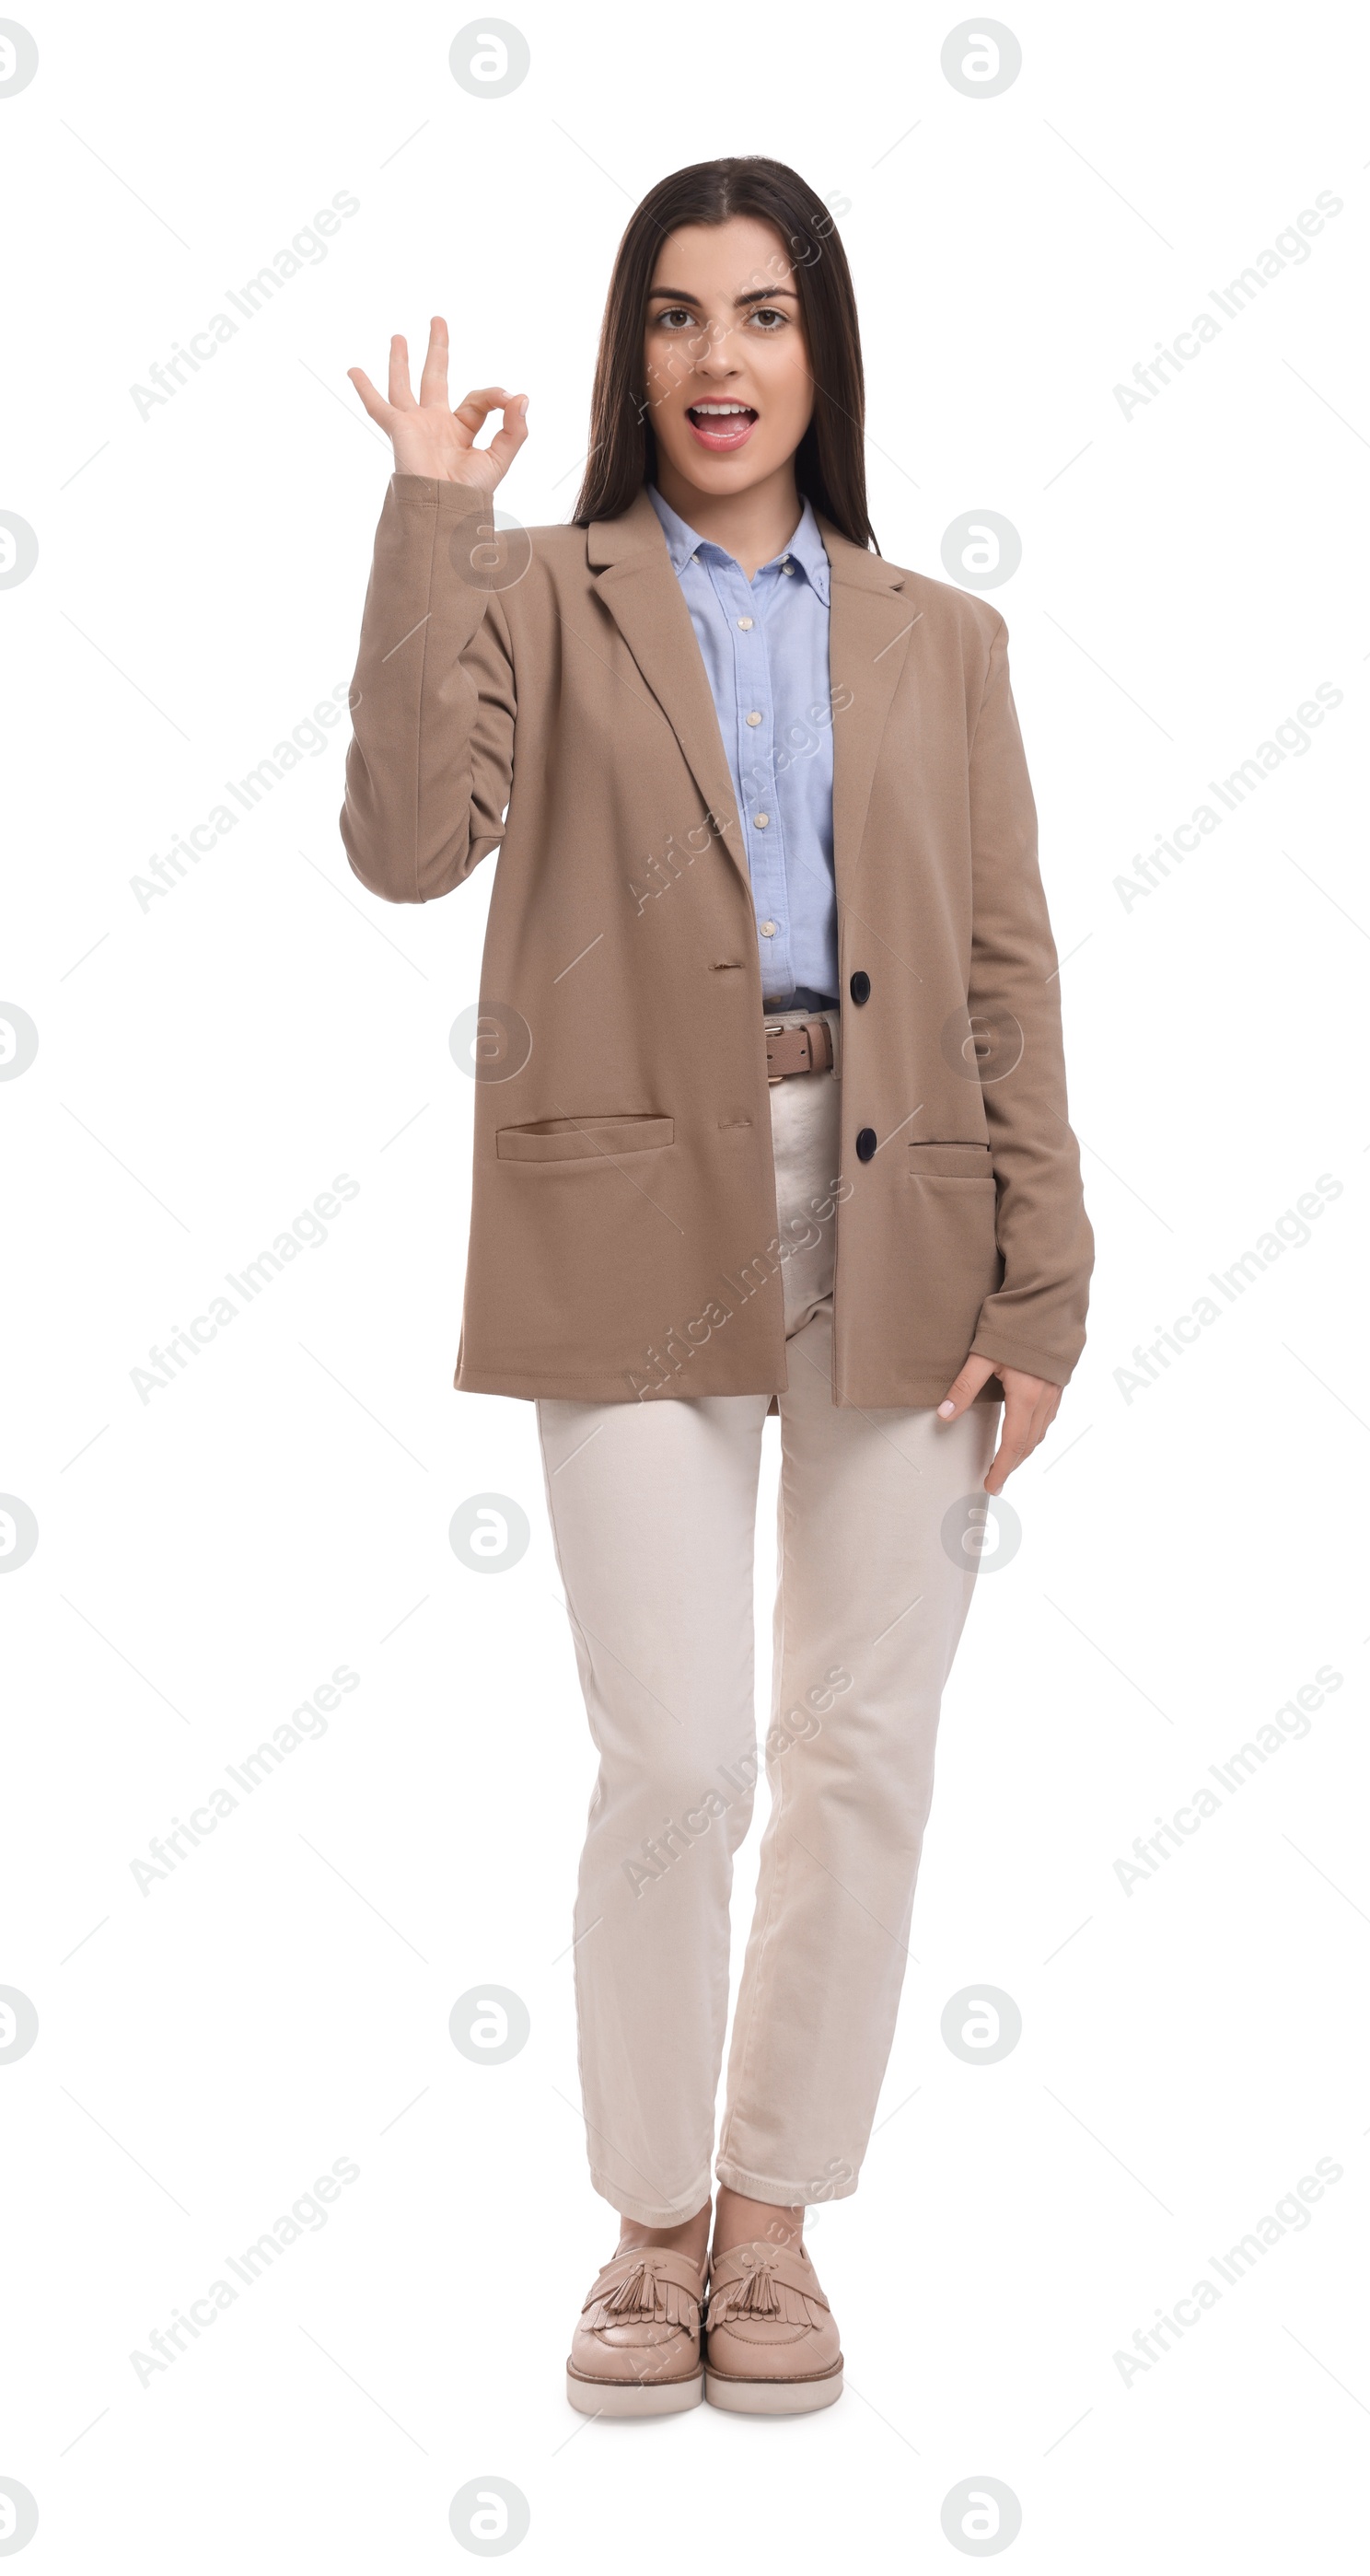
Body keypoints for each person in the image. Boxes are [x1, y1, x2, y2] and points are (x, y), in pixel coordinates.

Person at [342, 155, 1093, 2418]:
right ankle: (648, 2218)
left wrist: (1042, 1284)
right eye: (674, 318)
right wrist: (418, 526)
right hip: (625, 1203)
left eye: (759, 316)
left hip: (909, 1211)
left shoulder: (938, 637)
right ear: (630, 353)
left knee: (859, 1751)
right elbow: (401, 843)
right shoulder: (541, 594)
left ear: (818, 351)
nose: (717, 361)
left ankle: (770, 2225)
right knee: (673, 1759)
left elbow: (1000, 964)